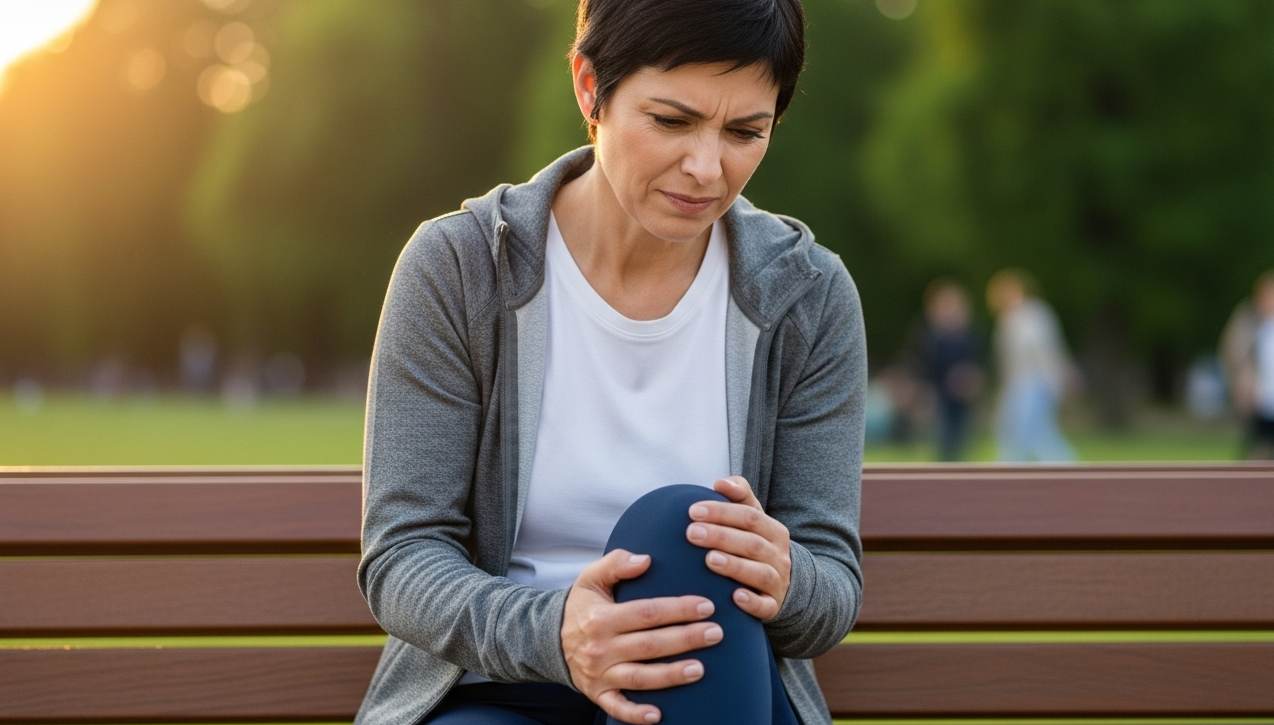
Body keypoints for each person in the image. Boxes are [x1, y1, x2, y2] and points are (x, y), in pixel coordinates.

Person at [355, 1, 867, 724]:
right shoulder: (460, 268)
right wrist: (559, 632)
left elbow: (831, 591)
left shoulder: (808, 296)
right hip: (501, 683)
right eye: (672, 120)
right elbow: (403, 557)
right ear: (589, 87)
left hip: (712, 686)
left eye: (746, 132)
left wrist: (788, 577)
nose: (706, 168)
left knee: (686, 528)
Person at [986, 269, 1076, 463]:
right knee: (1028, 431)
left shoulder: (1034, 314)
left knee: (1026, 430)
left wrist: (1056, 379)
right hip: (1018, 382)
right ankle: (1064, 469)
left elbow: (1046, 350)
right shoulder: (1008, 318)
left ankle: (1011, 469)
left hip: (1034, 380)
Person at [907, 279, 983, 461]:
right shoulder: (929, 335)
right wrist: (923, 389)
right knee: (941, 437)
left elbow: (976, 362)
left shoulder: (968, 333)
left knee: (961, 436)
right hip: (938, 392)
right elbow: (920, 363)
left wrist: (970, 378)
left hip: (961, 394)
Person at [1219, 270, 1274, 459]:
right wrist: (1243, 377)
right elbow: (1234, 350)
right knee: (1258, 447)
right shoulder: (1249, 320)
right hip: (1261, 398)